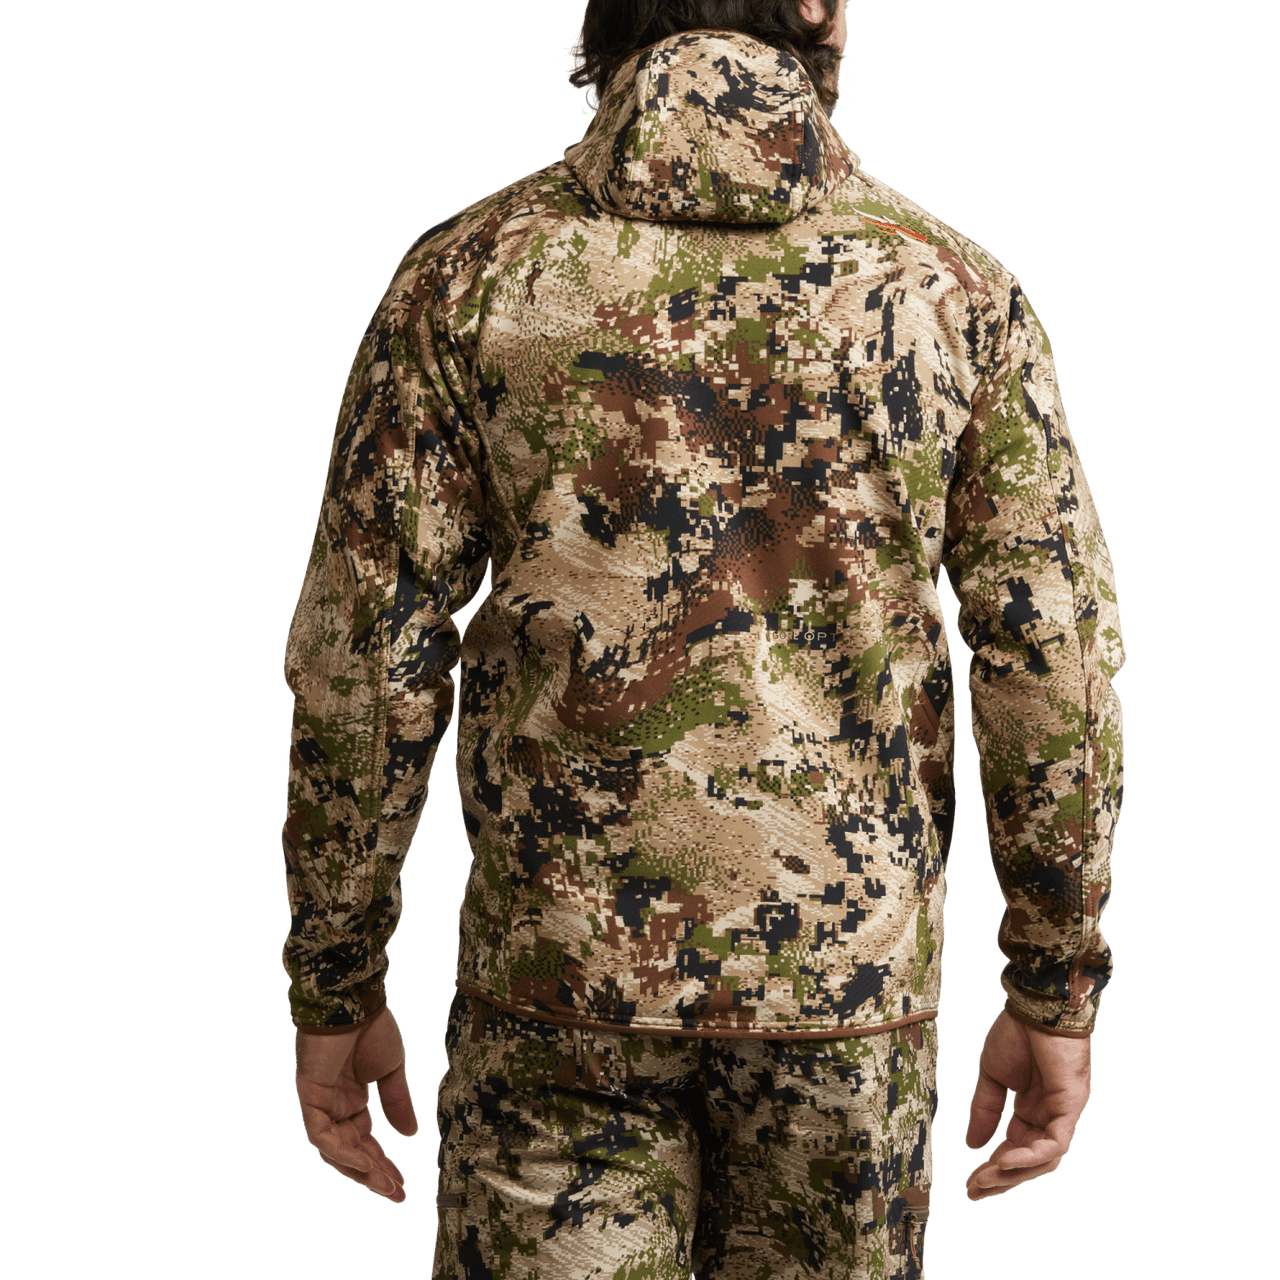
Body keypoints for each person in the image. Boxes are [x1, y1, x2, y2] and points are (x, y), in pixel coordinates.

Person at [283, 1, 1123, 1274]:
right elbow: (1046, 664)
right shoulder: (953, 290)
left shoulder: (467, 275)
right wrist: (1052, 984)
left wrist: (334, 979)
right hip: (845, 1006)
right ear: (820, 13)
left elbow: (362, 664)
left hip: (554, 990)